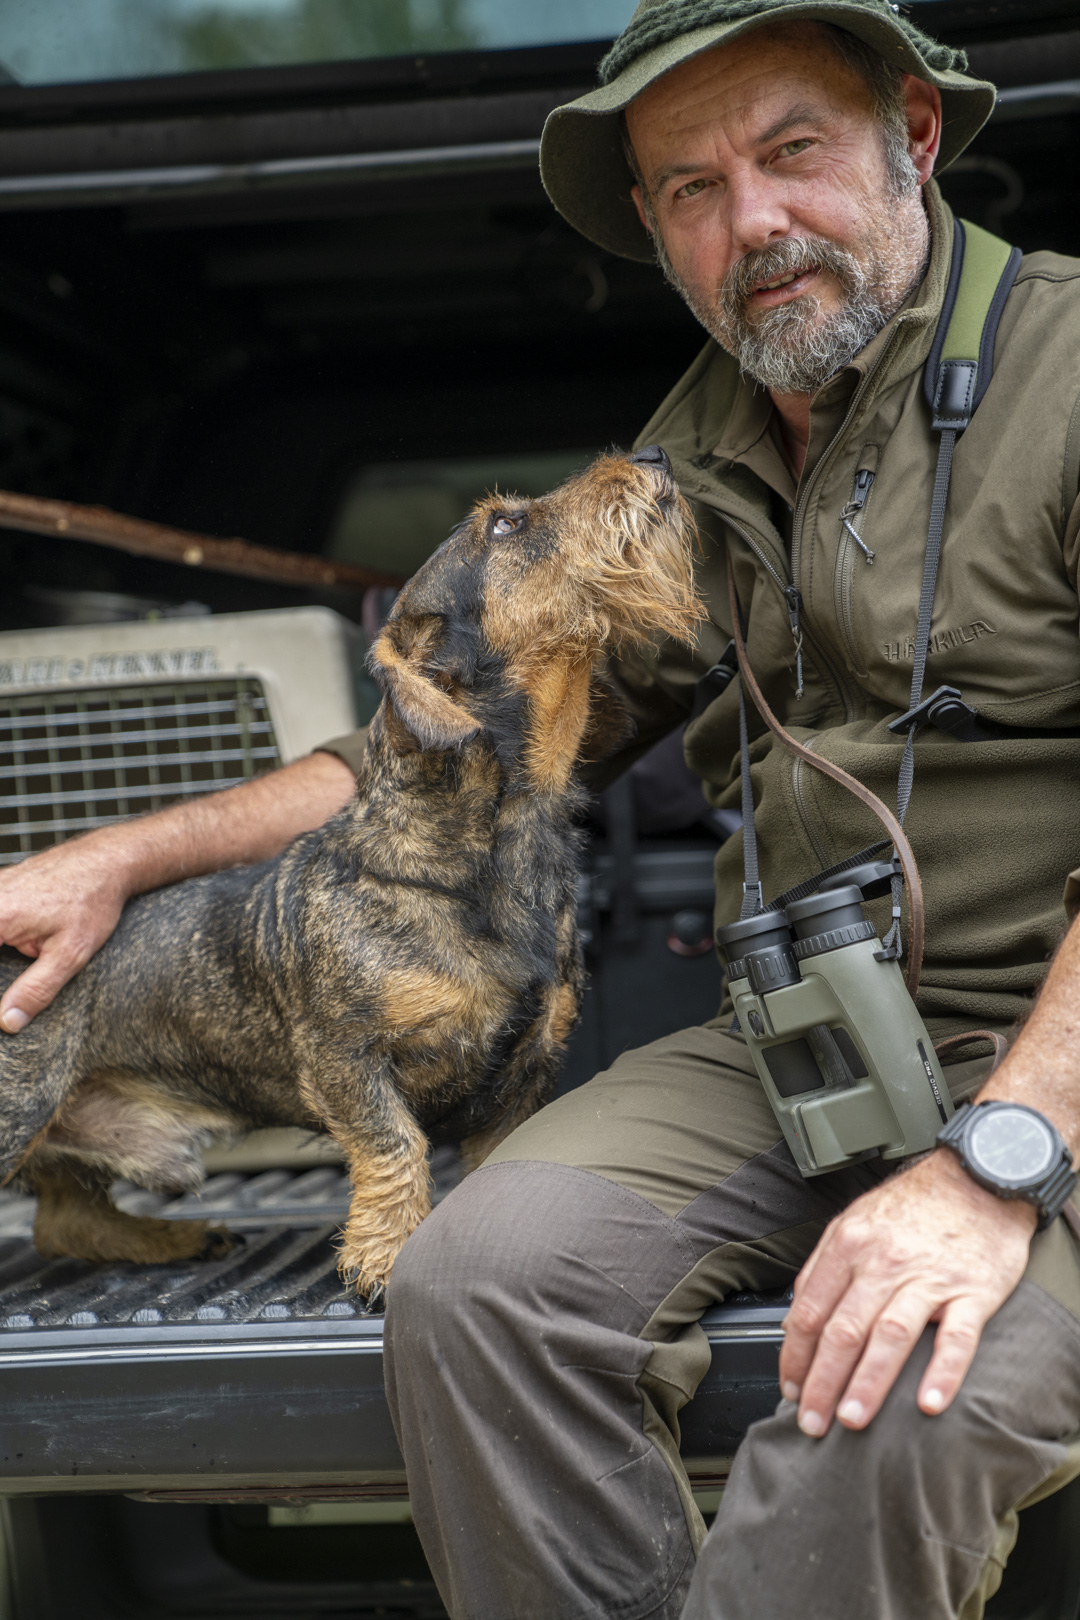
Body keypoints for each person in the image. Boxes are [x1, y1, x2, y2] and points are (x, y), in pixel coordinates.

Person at [1, 1, 1079, 1615]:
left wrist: (997, 1162)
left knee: (890, 1408)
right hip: (818, 1043)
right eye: (693, 189)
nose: (755, 222)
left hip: (1055, 1047)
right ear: (653, 229)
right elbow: (440, 756)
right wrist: (116, 858)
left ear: (912, 139)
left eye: (792, 153)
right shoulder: (704, 445)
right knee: (472, 1287)